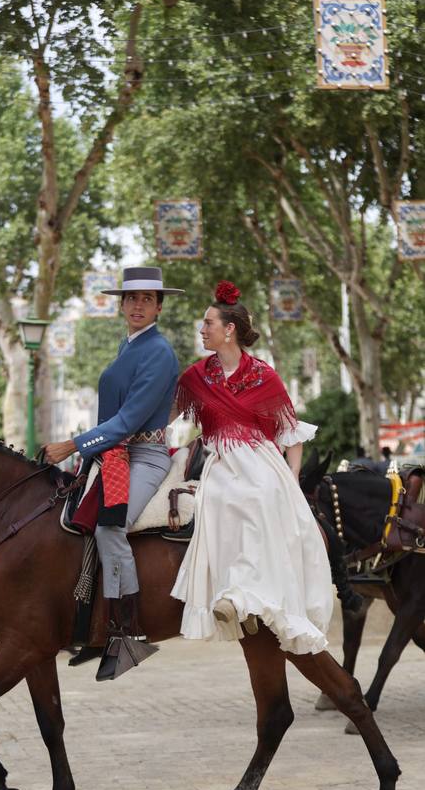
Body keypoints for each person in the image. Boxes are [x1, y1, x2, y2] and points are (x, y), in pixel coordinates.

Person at [170, 280, 333, 655]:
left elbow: (291, 434)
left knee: (260, 498)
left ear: (229, 330)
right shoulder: (196, 377)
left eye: (208, 323)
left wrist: (291, 481)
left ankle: (248, 597)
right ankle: (231, 595)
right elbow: (167, 413)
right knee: (221, 500)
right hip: (221, 463)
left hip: (262, 461)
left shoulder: (264, 375)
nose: (202, 330)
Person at [44, 266, 182, 680]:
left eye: (146, 299)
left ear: (159, 306)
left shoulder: (159, 352)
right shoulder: (129, 345)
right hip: (116, 454)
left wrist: (73, 445)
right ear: (121, 305)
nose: (137, 305)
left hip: (145, 456)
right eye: (131, 299)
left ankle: (127, 633)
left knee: (109, 527)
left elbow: (126, 422)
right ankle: (94, 630)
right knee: (73, 520)